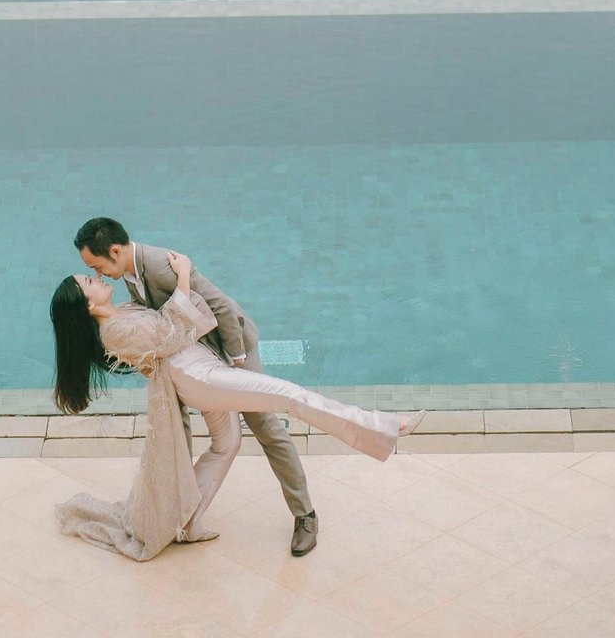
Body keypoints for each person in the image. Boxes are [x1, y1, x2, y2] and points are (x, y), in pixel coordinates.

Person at [50, 247, 424, 561]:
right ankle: (384, 427)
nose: (97, 278)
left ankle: (187, 523)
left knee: (227, 444)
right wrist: (183, 275)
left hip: (200, 369)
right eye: (89, 281)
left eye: (93, 272)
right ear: (85, 305)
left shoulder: (122, 313)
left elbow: (164, 322)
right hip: (199, 378)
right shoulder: (113, 331)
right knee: (289, 395)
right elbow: (168, 333)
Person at [73, 215, 322, 557]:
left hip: (232, 347)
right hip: (200, 354)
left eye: (97, 265)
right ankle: (185, 512)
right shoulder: (131, 274)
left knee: (265, 426)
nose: (98, 274)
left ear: (114, 251)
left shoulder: (160, 265)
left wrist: (236, 357)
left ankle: (305, 515)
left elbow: (220, 305)